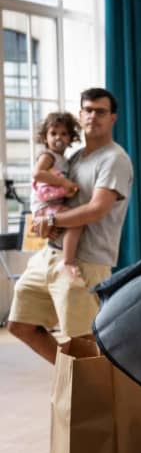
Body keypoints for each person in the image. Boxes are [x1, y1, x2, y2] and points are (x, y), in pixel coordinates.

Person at [7, 87, 133, 364]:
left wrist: (51, 220)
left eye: (100, 111)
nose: (93, 116)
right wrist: (47, 223)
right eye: (87, 110)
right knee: (20, 324)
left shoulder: (115, 159)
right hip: (49, 255)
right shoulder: (74, 158)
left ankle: (97, 393)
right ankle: (72, 376)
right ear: (80, 115)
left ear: (113, 118)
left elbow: (97, 209)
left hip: (86, 261)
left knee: (84, 341)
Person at [30, 111, 85, 286]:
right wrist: (63, 181)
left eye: (63, 133)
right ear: (45, 136)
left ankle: (61, 254)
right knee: (76, 221)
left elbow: (60, 188)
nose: (58, 138)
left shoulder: (65, 160)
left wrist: (69, 189)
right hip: (44, 205)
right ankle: (68, 262)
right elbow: (38, 174)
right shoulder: (48, 156)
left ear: (71, 138)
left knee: (62, 225)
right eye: (53, 133)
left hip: (52, 203)